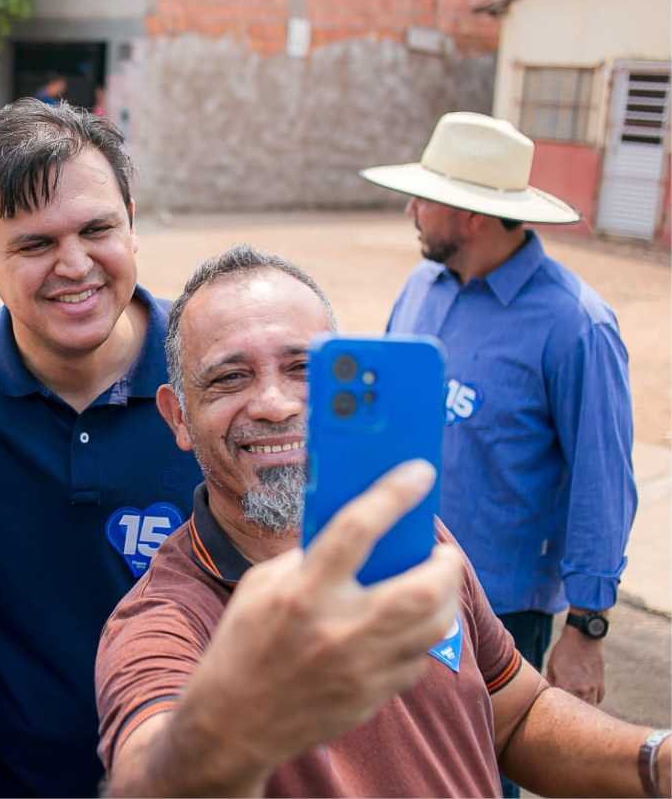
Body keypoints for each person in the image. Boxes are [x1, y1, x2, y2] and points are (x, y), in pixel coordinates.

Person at [95, 244, 671, 798]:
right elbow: (153, 775)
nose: (275, 403)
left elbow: (516, 716)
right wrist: (237, 718)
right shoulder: (162, 621)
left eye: (304, 368)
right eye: (229, 378)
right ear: (178, 418)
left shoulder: (411, 539)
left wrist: (656, 761)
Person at [0, 99, 203, 795]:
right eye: (35, 244)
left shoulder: (223, 371)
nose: (75, 264)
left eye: (97, 229)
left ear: (133, 224)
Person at [363, 114, 636, 722]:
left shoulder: (575, 325)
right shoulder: (421, 289)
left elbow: (602, 482)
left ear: (472, 216)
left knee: (486, 771)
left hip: (501, 611)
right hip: (399, 580)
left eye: (424, 199)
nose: (411, 210)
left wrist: (587, 626)